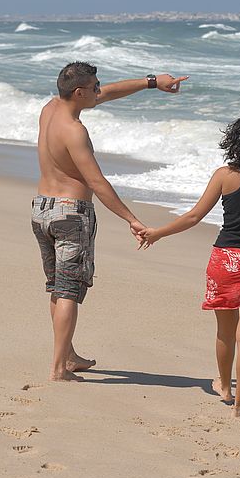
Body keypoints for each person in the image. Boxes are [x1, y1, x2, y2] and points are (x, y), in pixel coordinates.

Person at [31, 61, 188, 382]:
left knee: (58, 288)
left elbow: (109, 92)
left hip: (40, 209)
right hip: (70, 214)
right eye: (94, 87)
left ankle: (68, 354)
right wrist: (131, 219)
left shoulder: (51, 108)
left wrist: (151, 82)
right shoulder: (75, 131)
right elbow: (98, 183)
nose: (100, 90)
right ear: (79, 92)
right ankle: (59, 368)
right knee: (69, 291)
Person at [138, 117, 240, 417]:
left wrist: (158, 232)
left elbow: (194, 216)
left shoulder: (224, 176)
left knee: (226, 332)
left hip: (224, 261)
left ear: (234, 143)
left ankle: (225, 387)